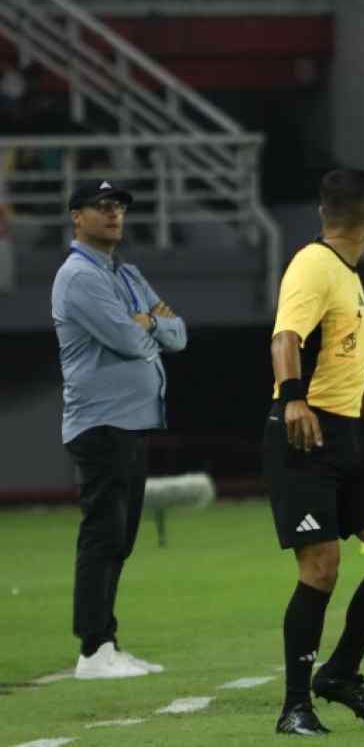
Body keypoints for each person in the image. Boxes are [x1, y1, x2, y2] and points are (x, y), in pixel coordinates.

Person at [263, 168, 364, 735]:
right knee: (321, 568)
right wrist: (293, 399)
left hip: (351, 431)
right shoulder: (313, 264)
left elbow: (346, 361)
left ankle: (342, 673)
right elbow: (286, 338)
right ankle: (294, 706)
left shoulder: (348, 275)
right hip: (305, 435)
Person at [51, 180, 188, 680]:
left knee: (119, 538)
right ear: (77, 217)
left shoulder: (125, 273)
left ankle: (105, 643)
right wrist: (149, 324)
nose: (114, 214)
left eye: (119, 208)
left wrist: (147, 322)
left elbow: (178, 334)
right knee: (103, 536)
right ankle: (93, 651)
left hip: (128, 423)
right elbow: (129, 341)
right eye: (102, 206)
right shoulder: (78, 276)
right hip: (101, 422)